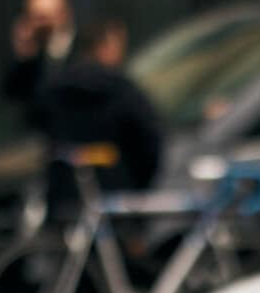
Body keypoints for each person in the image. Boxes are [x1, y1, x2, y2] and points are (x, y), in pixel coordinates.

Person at [30, 19, 166, 195]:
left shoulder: (53, 90)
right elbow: (150, 143)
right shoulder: (124, 92)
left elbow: (36, 128)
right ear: (104, 47)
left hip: (64, 196)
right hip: (117, 198)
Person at [3, 0, 79, 117]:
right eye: (34, 18)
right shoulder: (28, 57)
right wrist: (24, 56)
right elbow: (12, 97)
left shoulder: (81, 50)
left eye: (45, 18)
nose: (40, 27)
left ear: (64, 14)